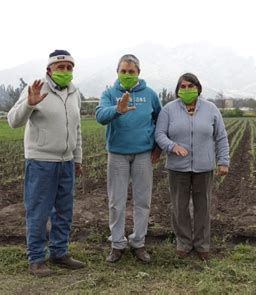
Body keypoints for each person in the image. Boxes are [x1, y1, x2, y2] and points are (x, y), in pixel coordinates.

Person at [7, 49, 85, 277]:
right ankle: (36, 259)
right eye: (61, 67)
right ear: (49, 69)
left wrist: (77, 158)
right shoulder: (36, 88)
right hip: (41, 161)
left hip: (66, 162)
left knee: (64, 211)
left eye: (69, 67)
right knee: (38, 212)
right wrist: (29, 104)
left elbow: (77, 129)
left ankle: (59, 253)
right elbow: (13, 120)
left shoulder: (74, 92)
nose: (65, 71)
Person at [154, 73, 230, 261]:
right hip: (177, 168)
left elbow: (220, 136)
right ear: (178, 89)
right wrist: (172, 146)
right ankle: (184, 243)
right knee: (179, 207)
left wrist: (223, 161)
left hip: (204, 167)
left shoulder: (211, 109)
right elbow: (160, 134)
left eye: (191, 86)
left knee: (202, 207)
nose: (187, 89)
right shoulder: (169, 110)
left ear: (198, 88)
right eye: (183, 86)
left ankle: (202, 244)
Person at [95, 54, 162, 263]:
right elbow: (100, 116)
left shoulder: (150, 94)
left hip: (143, 154)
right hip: (117, 155)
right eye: (123, 71)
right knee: (117, 202)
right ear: (117, 72)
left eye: (131, 72)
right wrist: (118, 109)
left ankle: (139, 243)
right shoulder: (109, 93)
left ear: (138, 73)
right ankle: (117, 244)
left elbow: (160, 121)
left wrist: (158, 149)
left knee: (143, 200)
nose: (127, 75)